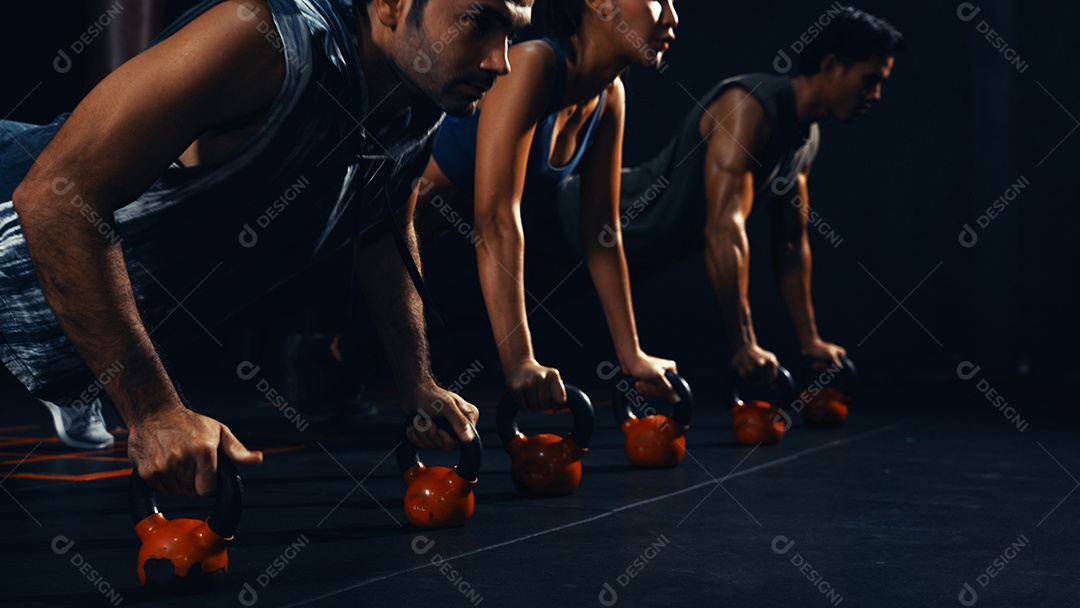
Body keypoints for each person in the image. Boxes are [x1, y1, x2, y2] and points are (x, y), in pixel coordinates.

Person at [0, 0, 532, 495]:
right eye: (478, 22)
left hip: (44, 323)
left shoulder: (418, 105)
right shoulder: (267, 40)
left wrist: (417, 382)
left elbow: (382, 226)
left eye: (513, 33)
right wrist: (154, 411)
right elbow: (53, 201)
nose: (500, 62)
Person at [554, 6, 904, 432]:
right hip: (570, 223)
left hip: (618, 258)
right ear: (831, 67)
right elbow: (724, 228)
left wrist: (809, 340)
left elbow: (790, 243)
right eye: (871, 80)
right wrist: (743, 346)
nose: (877, 95)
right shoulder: (748, 107)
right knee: (462, 315)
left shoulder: (804, 137)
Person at [406, 0, 681, 419]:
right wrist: (520, 362)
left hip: (430, 260)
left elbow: (602, 234)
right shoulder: (534, 63)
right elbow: (497, 219)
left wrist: (632, 354)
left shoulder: (609, 98)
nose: (671, 17)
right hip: (370, 239)